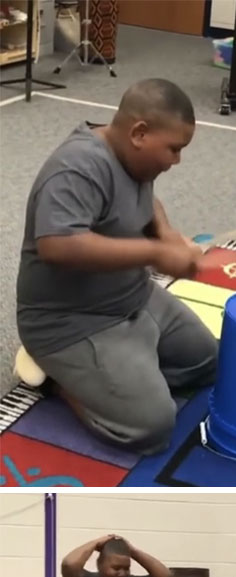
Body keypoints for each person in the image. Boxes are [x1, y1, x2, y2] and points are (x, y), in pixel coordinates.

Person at [15, 78, 218, 455]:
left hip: (133, 297)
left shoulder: (133, 157)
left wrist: (167, 233)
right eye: (174, 149)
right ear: (140, 133)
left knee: (207, 361)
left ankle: (121, 374)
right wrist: (155, 254)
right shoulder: (77, 167)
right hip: (70, 322)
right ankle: (57, 380)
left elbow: (145, 198)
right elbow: (58, 245)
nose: (177, 161)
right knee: (150, 427)